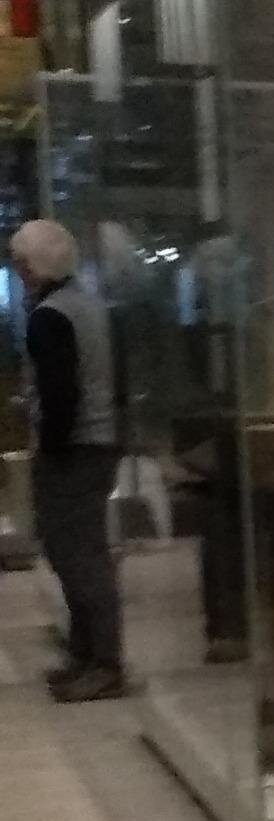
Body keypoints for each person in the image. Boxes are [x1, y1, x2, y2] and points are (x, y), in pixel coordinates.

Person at [12, 218, 126, 700]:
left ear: (31, 266)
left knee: (78, 557)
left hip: (73, 450)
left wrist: (50, 449)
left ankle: (104, 661)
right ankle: (87, 653)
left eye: (20, 264)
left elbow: (61, 396)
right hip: (99, 442)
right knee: (81, 553)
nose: (18, 273)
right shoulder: (89, 304)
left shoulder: (50, 316)